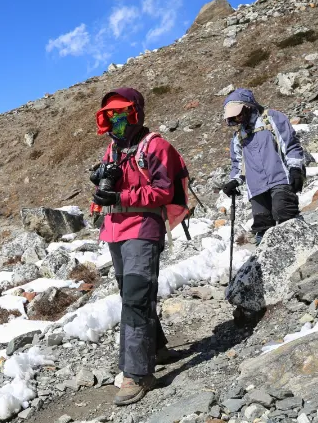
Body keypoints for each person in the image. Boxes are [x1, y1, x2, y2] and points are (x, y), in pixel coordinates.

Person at [91, 87, 187, 406]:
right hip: (115, 232)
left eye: (122, 114)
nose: (117, 121)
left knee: (135, 297)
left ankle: (137, 373)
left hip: (143, 230)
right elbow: (112, 188)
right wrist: (102, 186)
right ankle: (156, 348)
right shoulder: (113, 150)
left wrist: (122, 197)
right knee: (133, 295)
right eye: (111, 115)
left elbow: (163, 191)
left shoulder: (155, 145)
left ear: (136, 113)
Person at [221, 88, 305, 245]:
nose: (238, 119)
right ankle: (267, 258)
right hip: (256, 188)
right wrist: (234, 181)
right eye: (234, 116)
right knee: (262, 226)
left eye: (239, 113)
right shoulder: (238, 136)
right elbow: (238, 164)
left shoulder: (272, 118)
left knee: (284, 212)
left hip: (281, 178)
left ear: (248, 106)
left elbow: (291, 145)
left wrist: (295, 169)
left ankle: (300, 246)